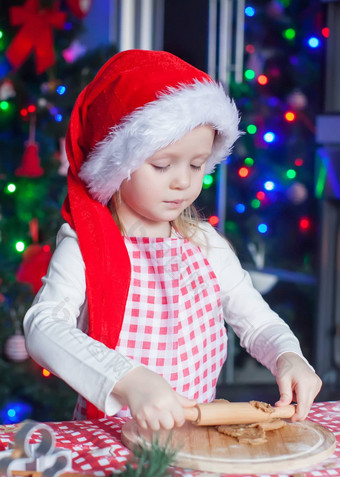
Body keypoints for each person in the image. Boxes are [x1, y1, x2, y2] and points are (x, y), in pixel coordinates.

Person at [23, 50, 321, 431]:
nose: (183, 181)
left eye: (196, 165)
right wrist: (129, 381)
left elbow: (258, 323)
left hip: (196, 439)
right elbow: (42, 327)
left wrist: (288, 355)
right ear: (119, 164)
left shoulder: (204, 243)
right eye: (163, 165)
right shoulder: (84, 245)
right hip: (113, 441)